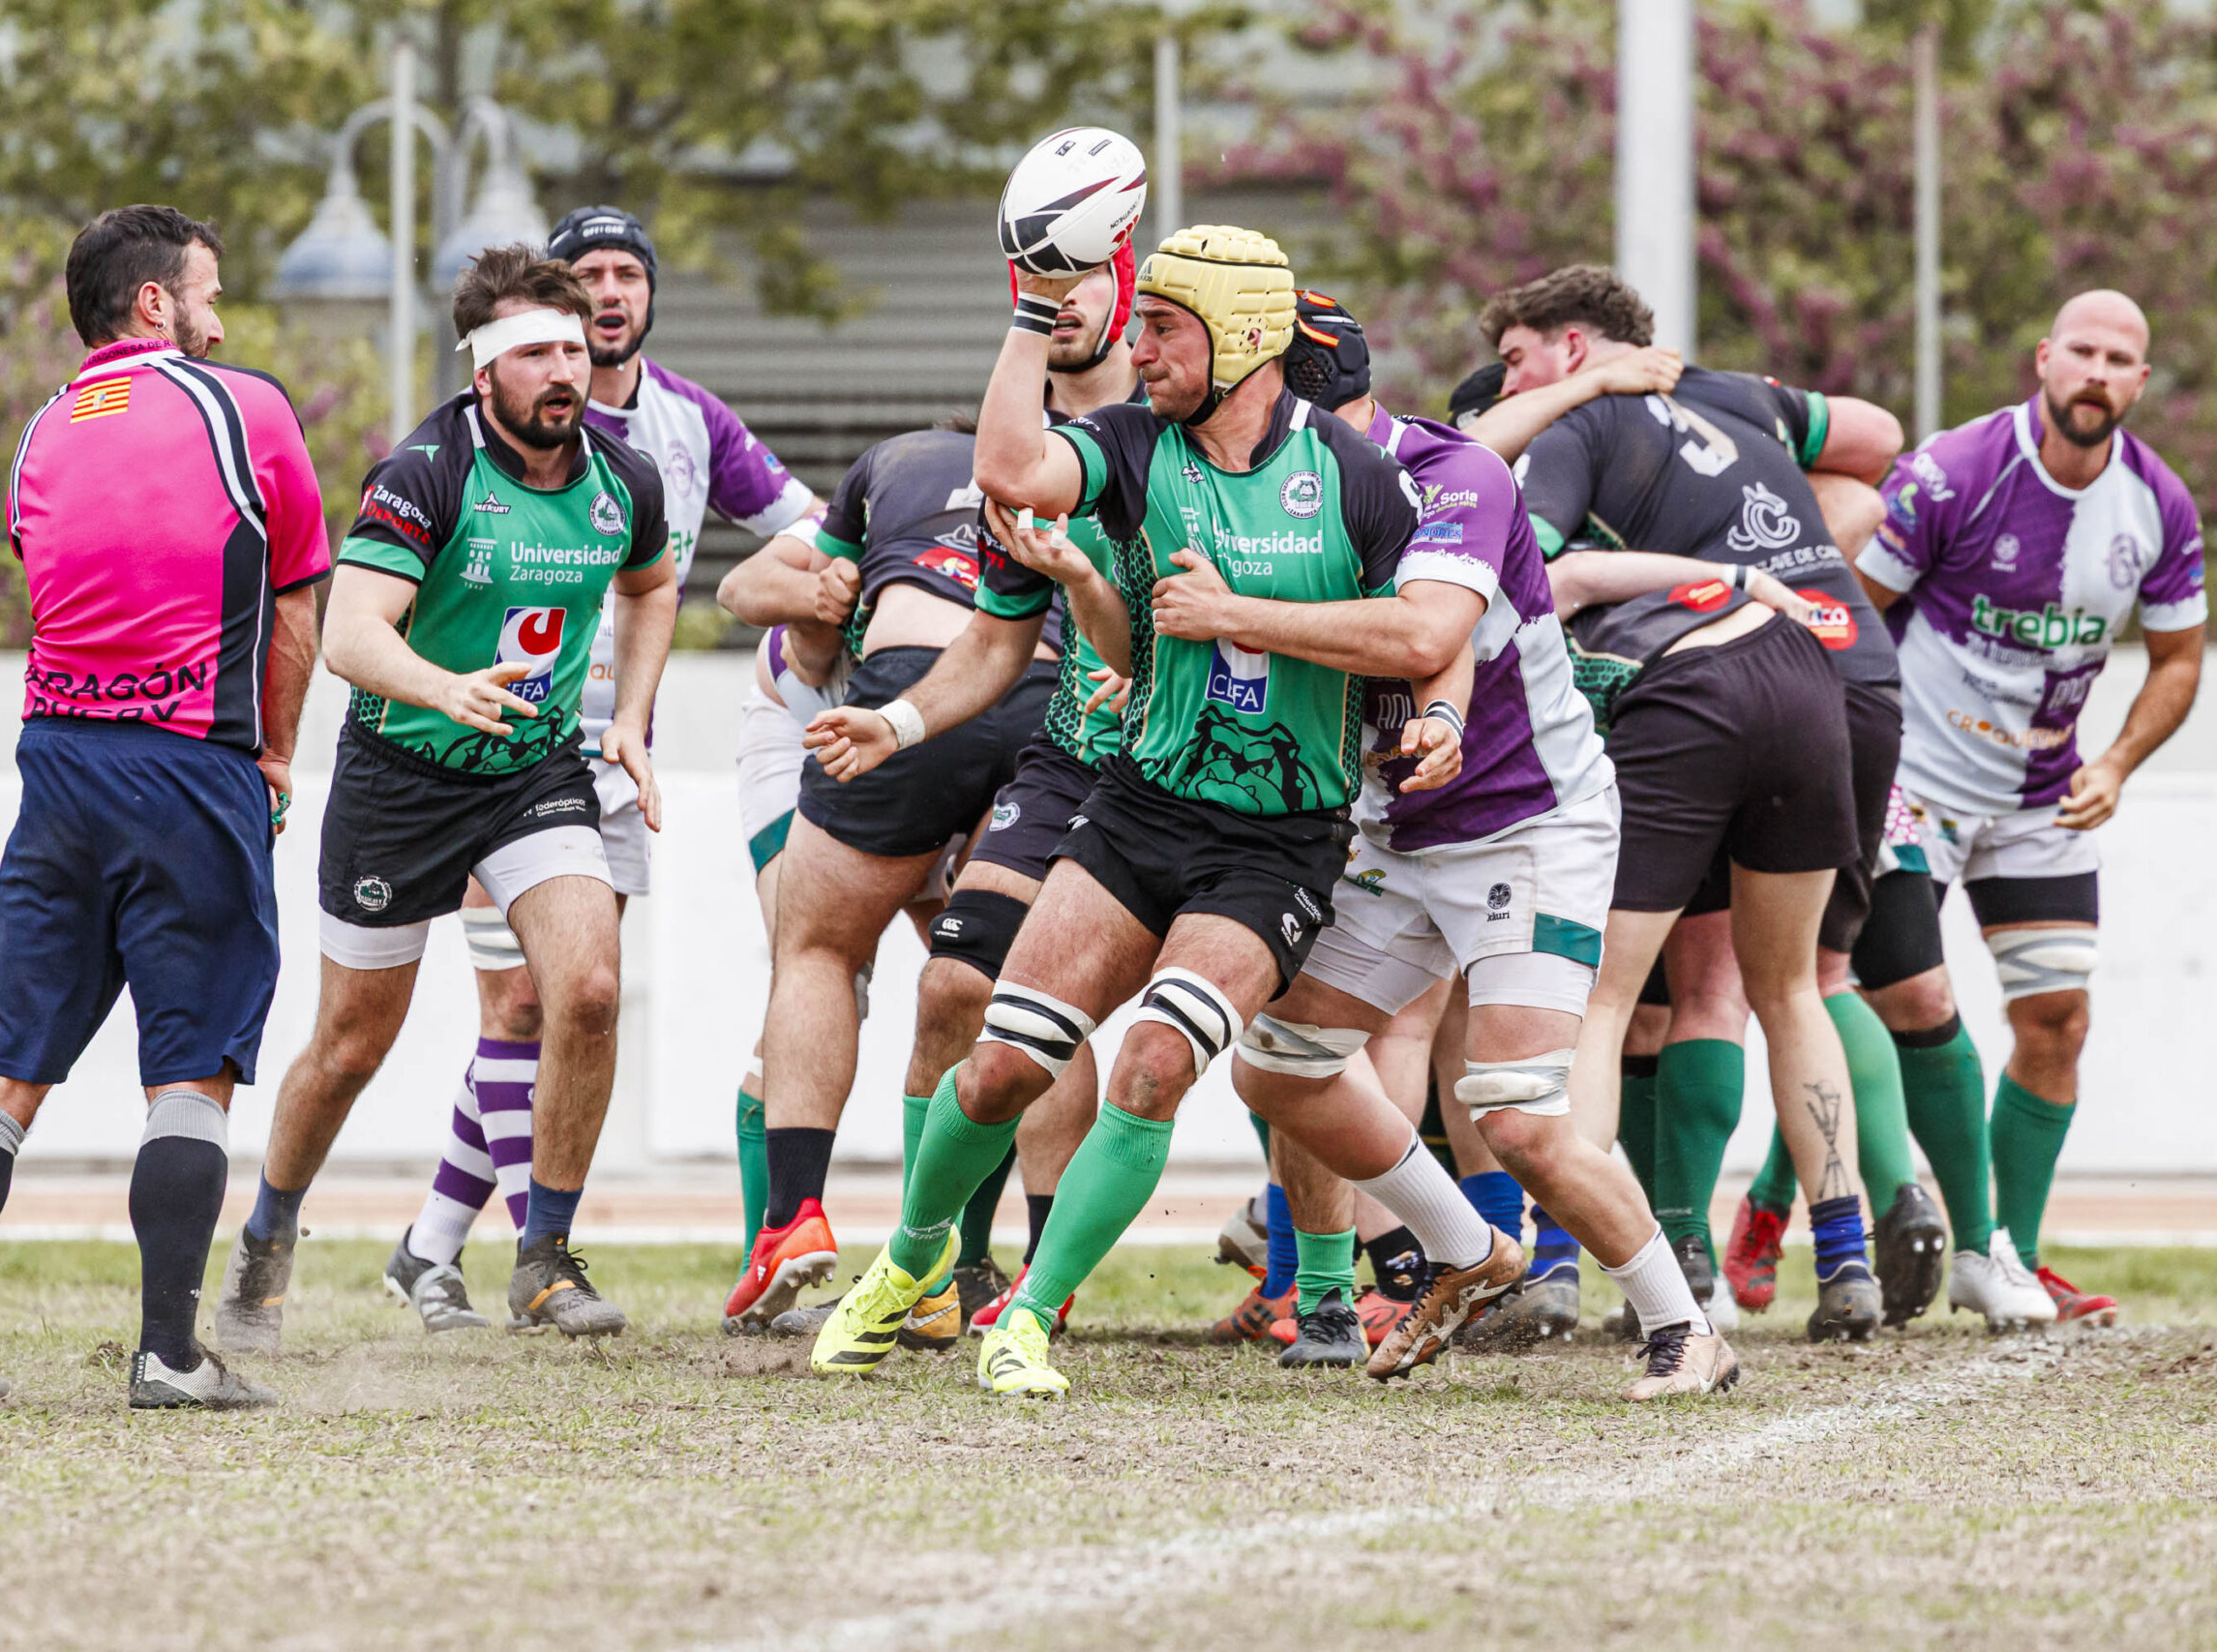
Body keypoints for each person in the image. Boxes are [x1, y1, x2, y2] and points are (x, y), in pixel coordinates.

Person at [800, 224, 1515, 1400]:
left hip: (1279, 839)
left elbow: (1430, 636)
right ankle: (909, 1259)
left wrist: (1434, 718)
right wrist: (1033, 315)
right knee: (999, 1067)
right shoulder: (1134, 445)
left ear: (1240, 339)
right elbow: (1015, 474)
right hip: (1136, 809)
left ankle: (1026, 1318)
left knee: (1148, 1064)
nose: (1140, 348)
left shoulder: (1355, 479)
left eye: (1163, 328)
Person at [1219, 290, 1734, 1397]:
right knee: (1274, 1062)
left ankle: (1683, 1327)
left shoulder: (1438, 478)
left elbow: (1424, 629)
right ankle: (1466, 1250)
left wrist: (1231, 615)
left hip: (1528, 828)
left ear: (1284, 395)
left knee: (1515, 1113)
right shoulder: (1310, 475)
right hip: (1395, 833)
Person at [0, 205, 328, 1410]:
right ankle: (170, 1356)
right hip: (190, 766)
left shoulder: (40, 432)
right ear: (154, 304)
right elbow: (295, 606)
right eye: (210, 291)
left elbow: (57, 580)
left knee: (1, 1073)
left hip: (57, 770)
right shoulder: (245, 407)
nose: (219, 316)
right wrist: (275, 755)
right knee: (190, 1074)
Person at [215, 247, 674, 1351]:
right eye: (533, 352)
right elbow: (353, 636)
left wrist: (629, 717)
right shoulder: (425, 472)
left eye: (571, 346)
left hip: (531, 775)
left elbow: (651, 581)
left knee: (592, 989)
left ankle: (543, 1259)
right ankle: (265, 1241)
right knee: (349, 1048)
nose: (561, 367)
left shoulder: (623, 479)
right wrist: (445, 687)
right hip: (400, 780)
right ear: (484, 375)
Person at [381, 206, 823, 1332]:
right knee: (522, 998)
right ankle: (536, 1259)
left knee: (564, 1002)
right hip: (486, 746)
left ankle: (432, 1246)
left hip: (610, 764)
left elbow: (812, 530)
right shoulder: (477, 441)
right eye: (591, 276)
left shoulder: (686, 425)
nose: (612, 293)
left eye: (631, 273)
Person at [1485, 263, 1910, 1342]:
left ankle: (1555, 1264)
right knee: (1801, 983)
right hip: (1845, 679)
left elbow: (1524, 562)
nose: (1506, 385)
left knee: (1605, 993)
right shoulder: (1739, 395)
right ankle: (1846, 1260)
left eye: (1515, 362)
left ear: (1573, 350)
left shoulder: (1576, 426)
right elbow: (1877, 440)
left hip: (1701, 682)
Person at [759, 251, 1148, 1345]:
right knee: (957, 990)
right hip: (1058, 752)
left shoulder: (1181, 451)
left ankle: (1054, 1280)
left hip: (1194, 772)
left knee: (1237, 1043)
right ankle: (936, 1266)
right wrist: (894, 716)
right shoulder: (993, 476)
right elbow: (988, 637)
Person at [1823, 289, 2203, 1328]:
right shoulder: (1958, 470)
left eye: (2118, 358)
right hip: (1913, 782)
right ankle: (1946, 1233)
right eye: (2080, 350)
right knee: (1911, 1001)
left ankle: (2008, 1256)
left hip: (2041, 797)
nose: (2096, 371)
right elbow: (1859, 617)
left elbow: (2176, 661)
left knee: (2056, 1022)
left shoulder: (2157, 505)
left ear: (2138, 381)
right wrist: (1852, 760)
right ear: (2044, 359)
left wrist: (2118, 761)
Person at [709, 409, 1065, 1333]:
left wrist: (830, 591)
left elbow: (740, 590)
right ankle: (987, 1262)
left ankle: (798, 1221)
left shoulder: (888, 469)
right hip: (1020, 704)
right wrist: (815, 593)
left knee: (820, 956)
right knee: (997, 986)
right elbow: (754, 592)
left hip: (901, 712)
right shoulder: (1064, 476)